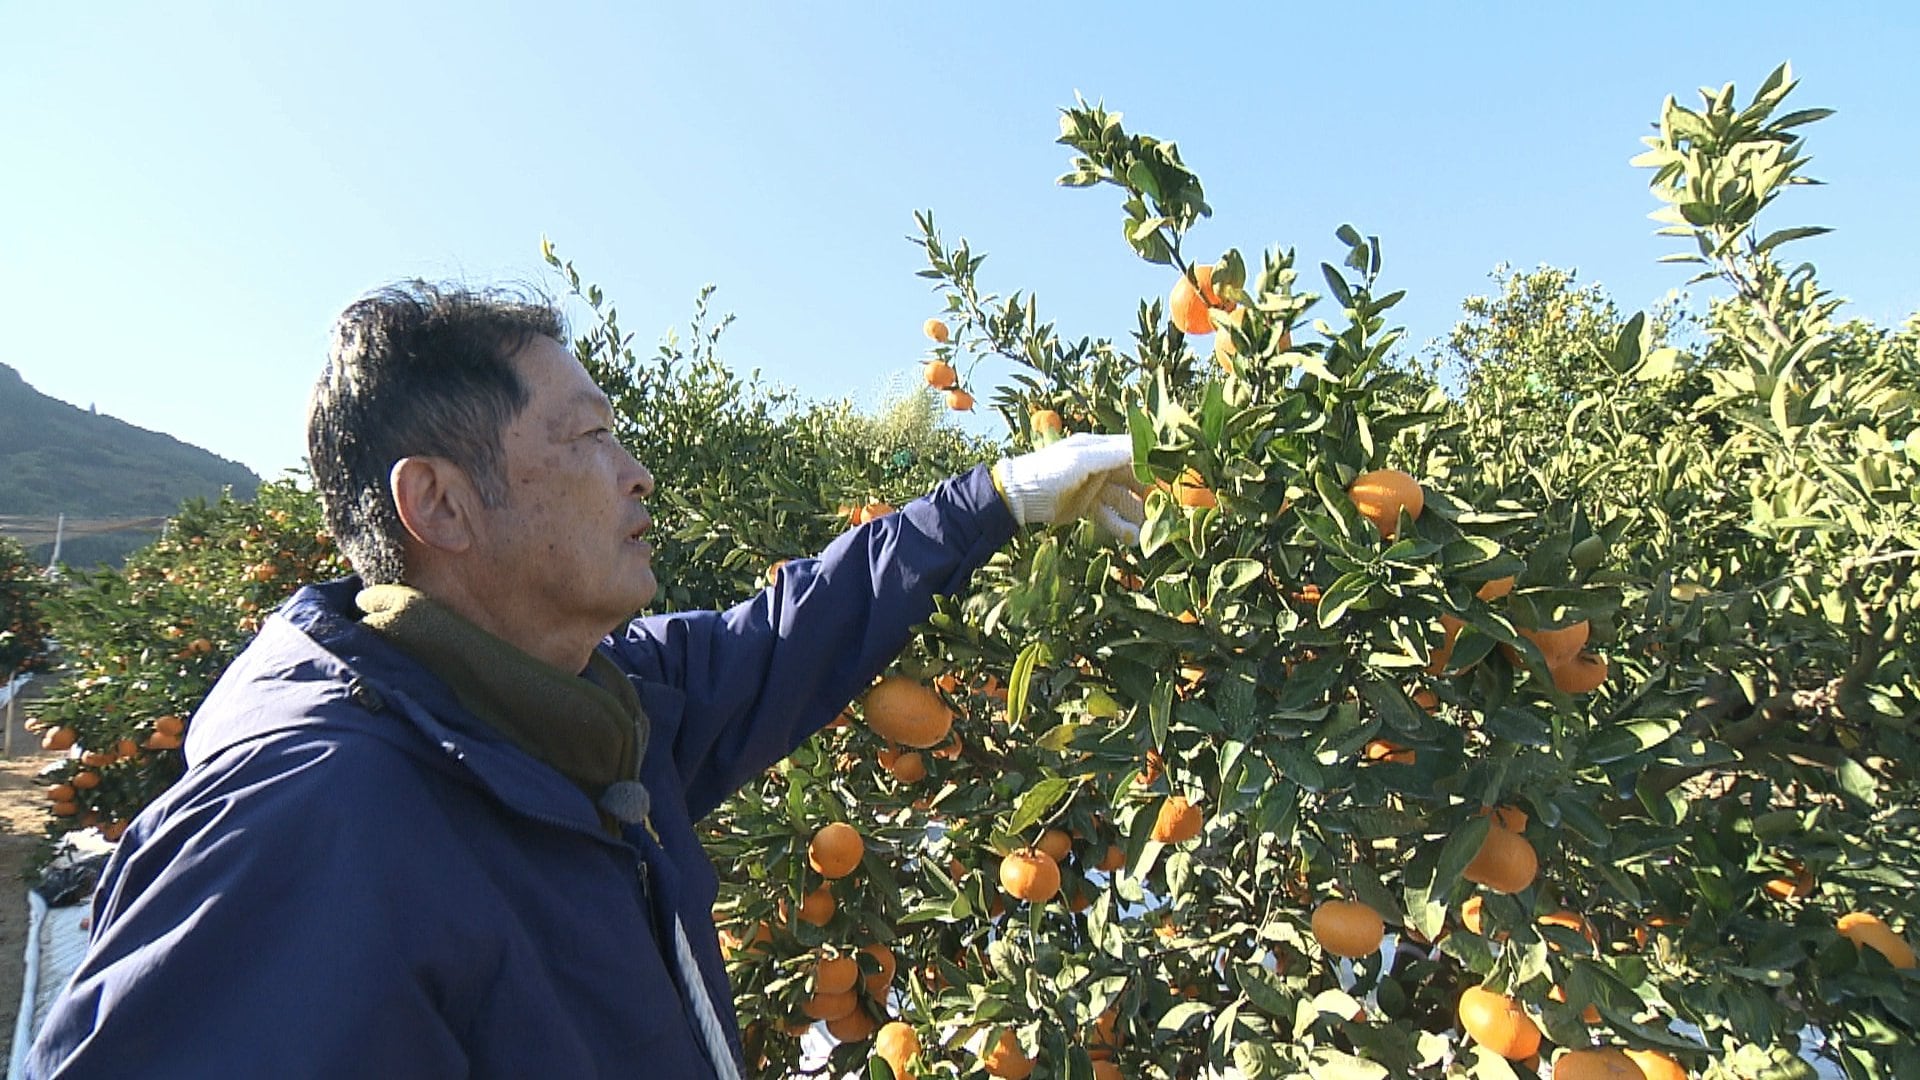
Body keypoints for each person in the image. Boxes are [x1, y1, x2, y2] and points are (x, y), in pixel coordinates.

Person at [26, 282, 1143, 1078]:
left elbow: (794, 630)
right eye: (590, 438)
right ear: (443, 506)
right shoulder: (308, 825)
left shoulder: (599, 708)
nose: (637, 470)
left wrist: (997, 497)